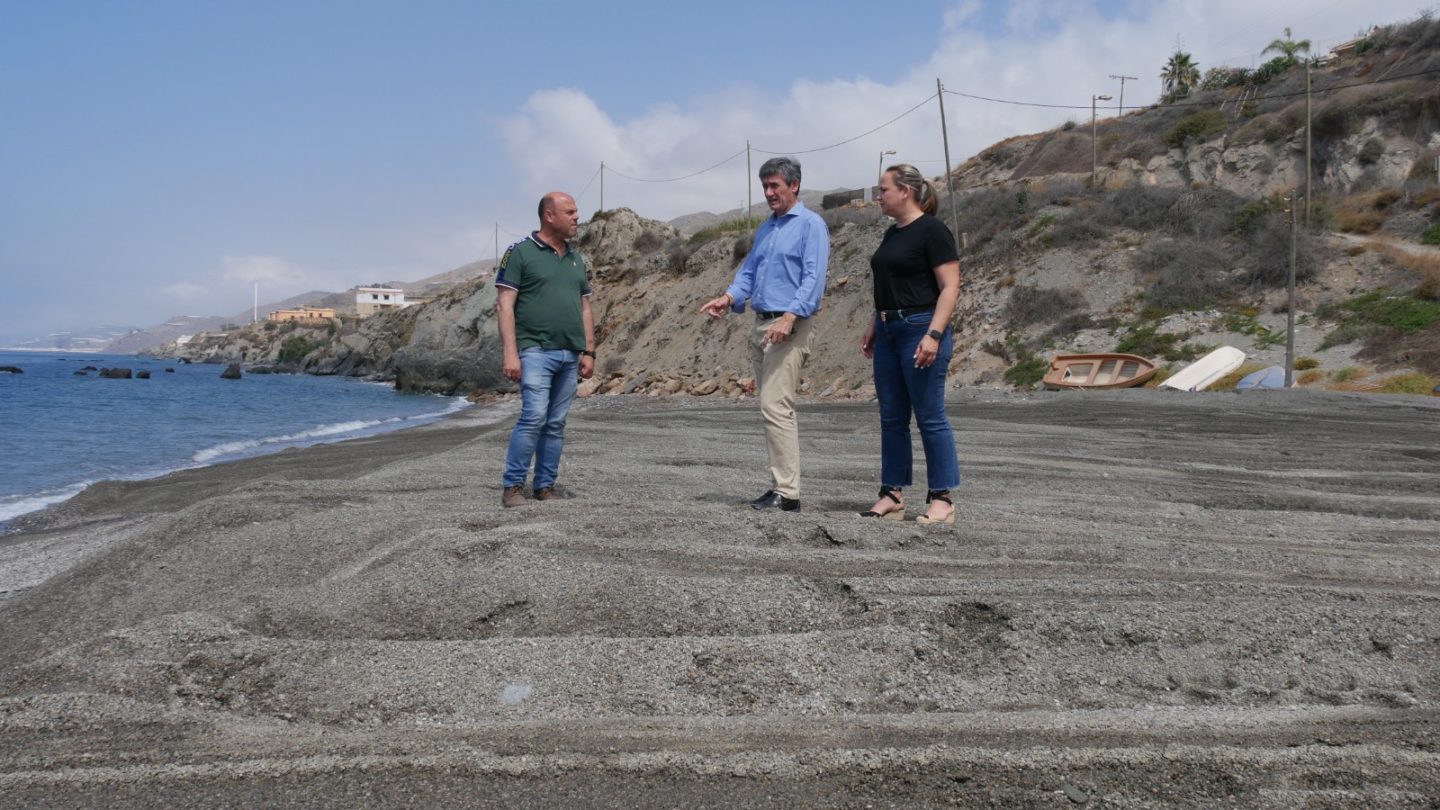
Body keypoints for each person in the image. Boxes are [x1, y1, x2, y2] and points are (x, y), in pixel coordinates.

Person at [700, 156, 829, 512]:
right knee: (770, 406)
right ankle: (780, 487)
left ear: (794, 185)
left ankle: (787, 493)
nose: (769, 193)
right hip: (761, 323)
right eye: (765, 186)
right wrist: (728, 298)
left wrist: (789, 317)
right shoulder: (767, 229)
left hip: (789, 325)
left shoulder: (810, 225)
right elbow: (749, 273)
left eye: (775, 186)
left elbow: (813, 280)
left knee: (776, 406)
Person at [858, 164, 962, 524]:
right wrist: (875, 322)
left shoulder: (933, 231)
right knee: (892, 418)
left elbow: (950, 287)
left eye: (883, 189)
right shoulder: (891, 234)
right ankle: (892, 494)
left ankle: (942, 499)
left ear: (905, 191)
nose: (878, 196)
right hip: (888, 331)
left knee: (930, 416)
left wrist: (933, 335)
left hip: (921, 326)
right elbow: (889, 286)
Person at [494, 191, 596, 508]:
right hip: (534, 351)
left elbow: (584, 307)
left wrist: (589, 351)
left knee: (555, 423)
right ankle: (513, 487)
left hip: (569, 354)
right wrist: (511, 353)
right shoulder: (520, 253)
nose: (577, 216)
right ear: (549, 216)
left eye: (576, 211)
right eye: (570, 211)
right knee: (534, 416)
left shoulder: (576, 258)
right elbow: (504, 305)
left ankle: (544, 486)